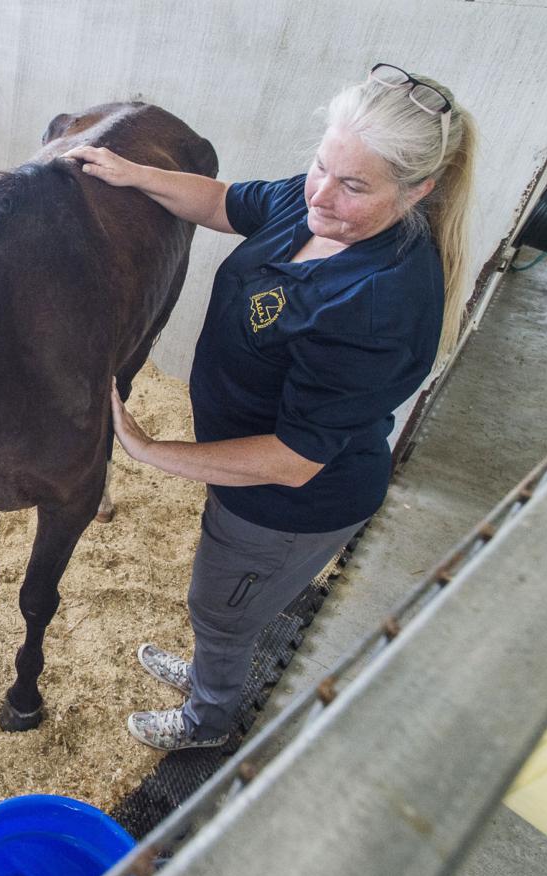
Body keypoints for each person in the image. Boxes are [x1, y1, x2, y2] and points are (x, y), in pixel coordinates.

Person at [66, 64, 477, 751]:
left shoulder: (377, 306)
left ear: (419, 191)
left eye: (354, 185)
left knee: (221, 610)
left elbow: (292, 463)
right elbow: (227, 202)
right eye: (322, 165)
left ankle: (208, 722)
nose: (323, 193)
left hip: (290, 504)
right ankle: (209, 668)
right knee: (224, 594)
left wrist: (149, 449)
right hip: (247, 471)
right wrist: (134, 174)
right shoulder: (318, 204)